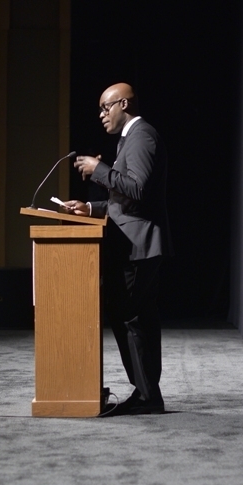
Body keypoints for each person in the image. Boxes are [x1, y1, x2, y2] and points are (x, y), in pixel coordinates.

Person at [62, 83, 172, 416]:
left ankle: (147, 395)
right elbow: (124, 202)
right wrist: (91, 209)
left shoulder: (141, 136)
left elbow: (137, 189)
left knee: (128, 315)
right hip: (136, 243)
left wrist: (99, 171)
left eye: (105, 107)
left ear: (123, 103)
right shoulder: (132, 138)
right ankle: (147, 393)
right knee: (136, 316)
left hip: (138, 245)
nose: (101, 115)